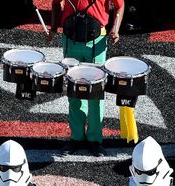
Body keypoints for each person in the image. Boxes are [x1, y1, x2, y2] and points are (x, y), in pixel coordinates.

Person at [48, 0, 125, 157]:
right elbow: (56, 3)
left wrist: (115, 28)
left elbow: (120, 5)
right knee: (73, 91)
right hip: (70, 40)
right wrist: (54, 28)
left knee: (96, 92)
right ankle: (76, 137)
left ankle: (95, 139)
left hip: (96, 42)